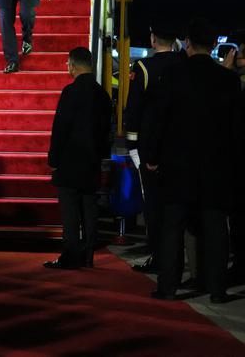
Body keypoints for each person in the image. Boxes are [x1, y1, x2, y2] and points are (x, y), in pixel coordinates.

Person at [142, 18, 240, 303]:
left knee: (173, 226)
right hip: (216, 166)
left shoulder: (173, 75)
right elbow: (236, 129)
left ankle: (168, 286)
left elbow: (158, 119)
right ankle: (218, 289)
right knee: (216, 228)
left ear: (187, 43)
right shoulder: (229, 81)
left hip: (178, 164)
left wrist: (153, 156)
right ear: (213, 46)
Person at [123, 20, 185, 273]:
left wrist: (133, 145)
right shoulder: (184, 67)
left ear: (153, 40)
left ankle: (160, 257)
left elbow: (134, 111)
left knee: (154, 205)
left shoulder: (144, 68)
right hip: (181, 148)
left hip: (150, 150)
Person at [44, 47, 112, 269]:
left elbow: (60, 129)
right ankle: (89, 253)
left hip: (70, 161)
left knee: (70, 210)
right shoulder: (103, 95)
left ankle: (71, 254)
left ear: (73, 65)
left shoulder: (70, 92)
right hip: (92, 161)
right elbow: (106, 131)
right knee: (90, 206)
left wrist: (53, 159)